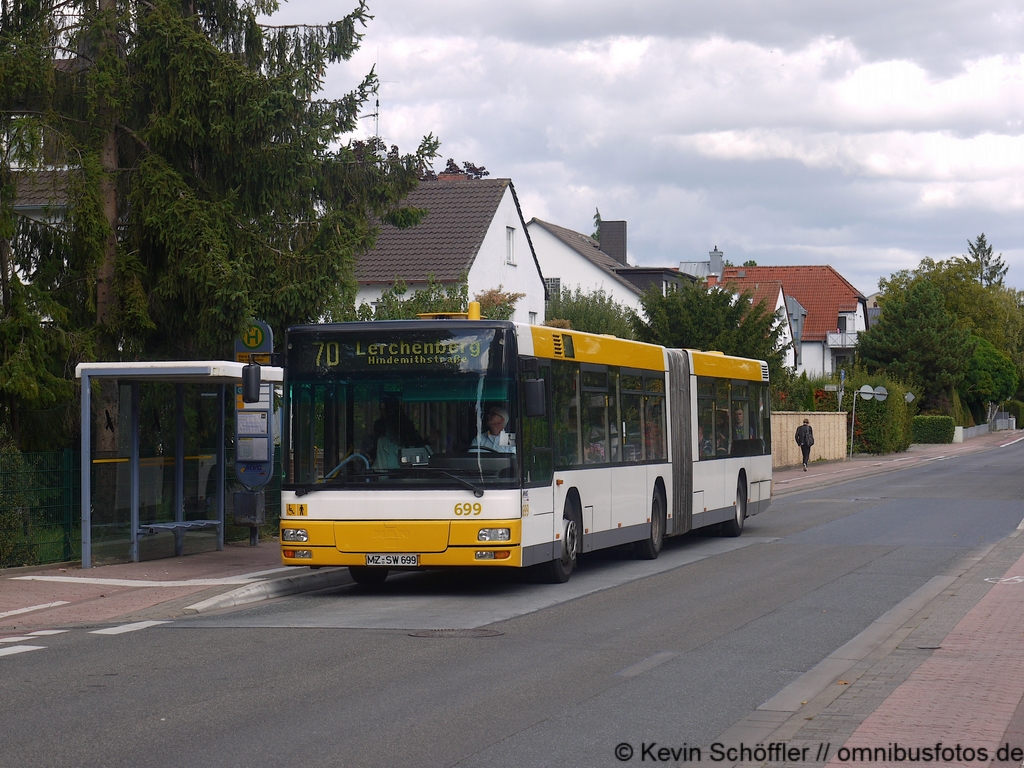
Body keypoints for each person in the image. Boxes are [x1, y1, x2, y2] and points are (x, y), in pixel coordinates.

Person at [372, 394, 426, 469]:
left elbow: (416, 444)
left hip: (405, 471)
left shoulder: (406, 425)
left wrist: (429, 440)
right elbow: (375, 448)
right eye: (381, 408)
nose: (383, 411)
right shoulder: (379, 426)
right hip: (383, 471)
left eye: (386, 408)